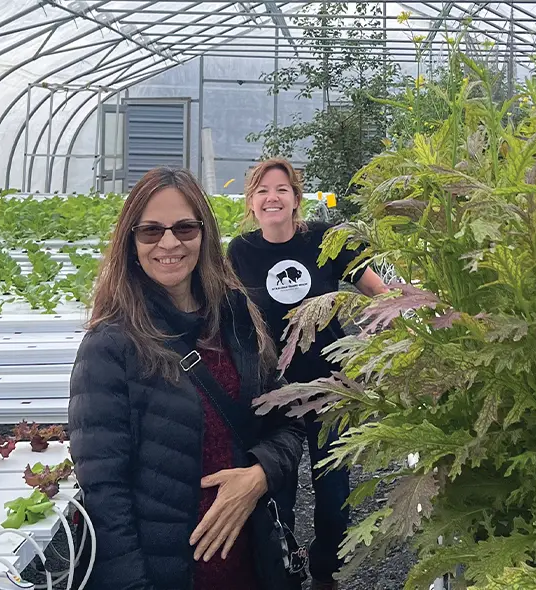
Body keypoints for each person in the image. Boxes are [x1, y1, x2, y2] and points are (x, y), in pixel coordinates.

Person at [67, 166, 306, 590]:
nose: (170, 243)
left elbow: (286, 421)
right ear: (130, 242)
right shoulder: (111, 346)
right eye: (151, 231)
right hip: (170, 575)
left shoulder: (236, 317)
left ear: (205, 234)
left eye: (185, 228)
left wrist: (259, 475)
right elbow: (105, 495)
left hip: (254, 564)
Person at [225, 159, 389, 590]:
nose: (272, 197)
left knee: (333, 490)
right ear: (252, 203)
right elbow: (225, 314)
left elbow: (376, 291)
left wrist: (406, 325)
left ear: (296, 199)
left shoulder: (324, 240)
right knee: (276, 490)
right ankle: (284, 567)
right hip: (271, 390)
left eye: (281, 189)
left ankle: (325, 573)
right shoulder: (240, 251)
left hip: (329, 384)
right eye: (262, 191)